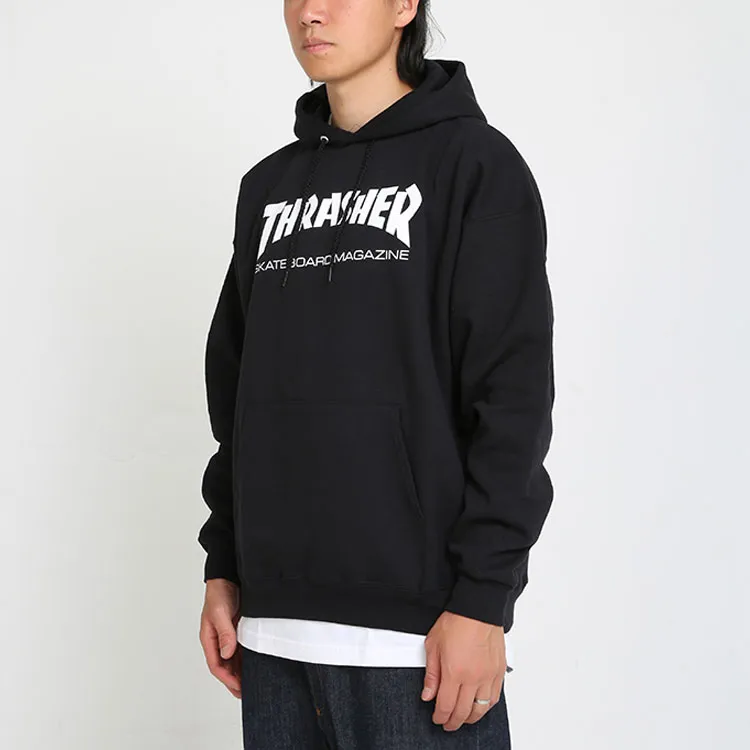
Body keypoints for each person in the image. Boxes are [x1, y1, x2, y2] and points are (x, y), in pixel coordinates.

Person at [197, 1, 555, 747]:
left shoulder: (474, 166)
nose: (311, 12)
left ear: (403, 6)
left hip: (416, 638)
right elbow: (236, 396)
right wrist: (223, 566)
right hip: (272, 630)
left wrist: (483, 600)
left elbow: (512, 397)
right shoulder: (267, 187)